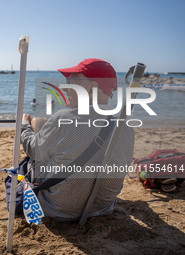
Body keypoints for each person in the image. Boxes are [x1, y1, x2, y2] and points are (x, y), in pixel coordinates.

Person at [20, 58, 134, 221]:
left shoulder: (64, 118)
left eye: (71, 82)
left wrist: (24, 125)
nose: (65, 88)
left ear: (92, 88)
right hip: (102, 208)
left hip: (57, 207)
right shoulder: (127, 127)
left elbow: (33, 150)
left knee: (38, 122)